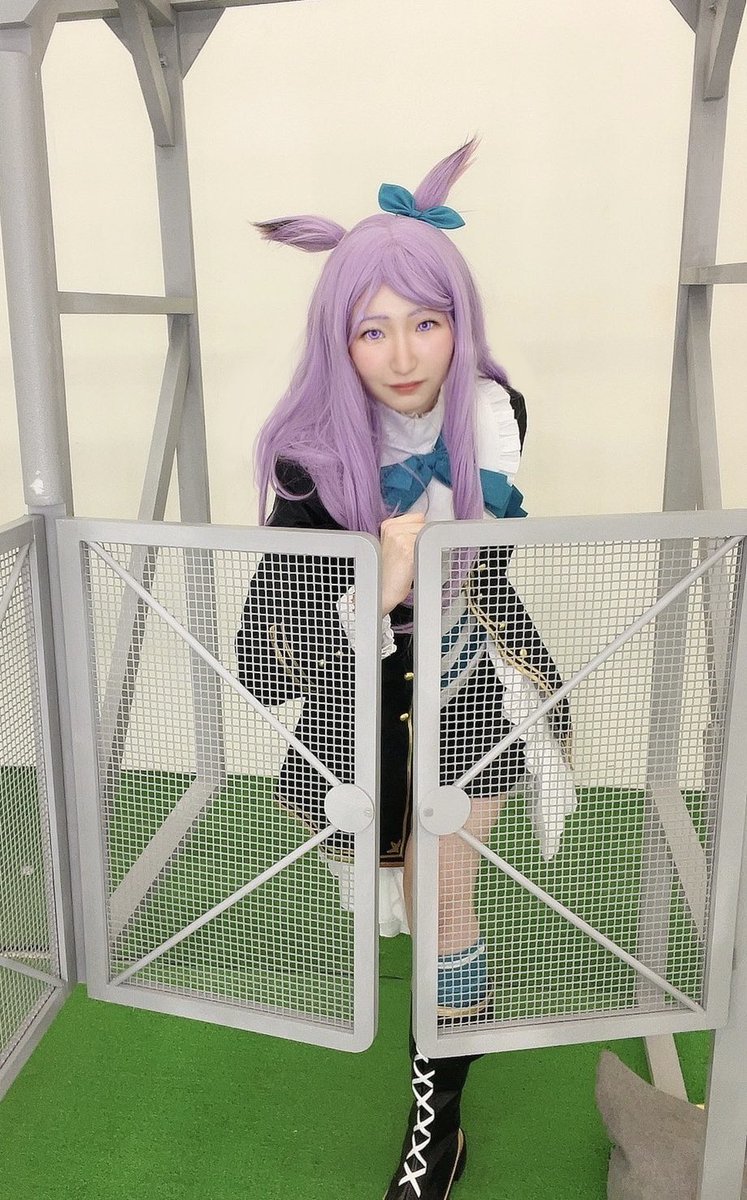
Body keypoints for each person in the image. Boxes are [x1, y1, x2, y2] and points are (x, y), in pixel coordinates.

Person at [236, 140, 575, 1200]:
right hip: (355, 710)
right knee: (401, 894)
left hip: (470, 693)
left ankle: (440, 1127)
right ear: (338, 338)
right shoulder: (306, 454)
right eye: (371, 328)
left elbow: (487, 572)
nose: (402, 354)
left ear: (459, 321)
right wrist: (375, 586)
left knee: (443, 907)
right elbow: (263, 655)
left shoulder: (494, 417)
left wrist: (433, 564)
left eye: (425, 322)